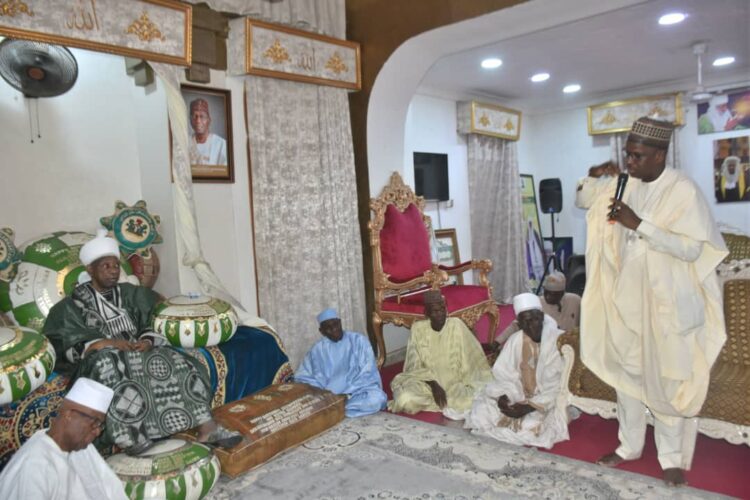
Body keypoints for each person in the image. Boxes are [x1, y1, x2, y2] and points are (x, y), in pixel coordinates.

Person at [575, 117, 728, 486]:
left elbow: (692, 248)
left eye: (638, 156)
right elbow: (583, 199)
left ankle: (672, 457)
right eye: (627, 155)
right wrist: (598, 177)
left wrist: (638, 224)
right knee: (628, 377)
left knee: (668, 379)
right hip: (628, 300)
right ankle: (629, 446)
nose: (630, 162)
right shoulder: (623, 184)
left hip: (668, 304)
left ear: (660, 154)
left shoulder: (683, 191)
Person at [43, 230, 242, 454]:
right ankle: (131, 437)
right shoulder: (70, 305)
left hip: (134, 349)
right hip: (100, 358)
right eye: (106, 266)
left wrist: (147, 340)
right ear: (90, 270)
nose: (113, 271)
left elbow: (154, 318)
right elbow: (65, 340)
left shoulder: (129, 294)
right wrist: (106, 343)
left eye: (116, 266)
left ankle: (207, 427)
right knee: (109, 363)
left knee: (173, 358)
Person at [464, 293, 568, 448]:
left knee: (535, 426)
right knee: (482, 411)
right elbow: (503, 375)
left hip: (546, 401)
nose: (531, 325)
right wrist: (504, 397)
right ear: (519, 323)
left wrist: (529, 406)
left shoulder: (559, 341)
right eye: (525, 322)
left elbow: (561, 385)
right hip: (518, 395)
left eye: (534, 319)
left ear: (541, 316)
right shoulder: (516, 340)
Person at [0, 378, 127, 500]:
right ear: (69, 415)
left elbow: (110, 490)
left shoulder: (82, 448)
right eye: (94, 423)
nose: (98, 431)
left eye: (100, 425)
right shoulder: (34, 464)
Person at [388, 290, 492, 417]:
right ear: (426, 313)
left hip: (455, 384)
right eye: (435, 311)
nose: (441, 314)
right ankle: (444, 403)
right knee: (405, 399)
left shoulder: (456, 325)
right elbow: (413, 366)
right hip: (427, 384)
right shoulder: (418, 329)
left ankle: (445, 402)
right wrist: (433, 385)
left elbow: (473, 356)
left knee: (470, 400)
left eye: (443, 309)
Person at [295, 308, 387, 417]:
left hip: (356, 392)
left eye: (335, 324)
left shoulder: (359, 341)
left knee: (378, 399)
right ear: (322, 331)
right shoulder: (317, 350)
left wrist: (346, 394)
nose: (334, 329)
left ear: (340, 322)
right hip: (329, 396)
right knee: (306, 404)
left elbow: (368, 372)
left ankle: (334, 410)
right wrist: (323, 394)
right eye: (328, 328)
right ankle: (333, 409)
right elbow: (302, 377)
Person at [492, 271, 580, 349]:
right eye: (546, 292)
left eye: (554, 294)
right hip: (545, 347)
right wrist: (498, 341)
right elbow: (517, 324)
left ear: (562, 293)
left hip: (572, 345)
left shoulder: (575, 301)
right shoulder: (537, 304)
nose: (548, 297)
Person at [188, 98, 228, 166]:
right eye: (195, 116)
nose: (198, 121)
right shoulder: (186, 143)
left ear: (209, 120)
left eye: (202, 116)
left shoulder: (221, 144)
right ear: (190, 120)